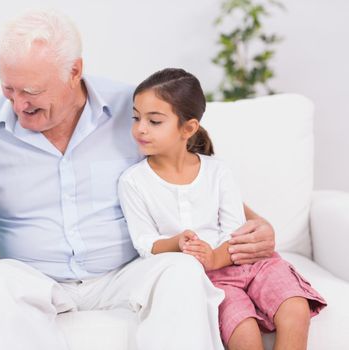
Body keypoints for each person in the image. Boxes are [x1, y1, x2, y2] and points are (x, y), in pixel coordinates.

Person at [0, 9, 278, 350]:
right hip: (32, 276)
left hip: (128, 272)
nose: (19, 105)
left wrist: (257, 224)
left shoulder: (136, 110)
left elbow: (190, 170)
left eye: (31, 91)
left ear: (74, 71)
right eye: (9, 89)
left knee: (182, 271)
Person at [118, 67, 327, 350]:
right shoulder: (134, 181)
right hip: (207, 280)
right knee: (244, 331)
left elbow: (234, 228)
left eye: (154, 121)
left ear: (188, 128)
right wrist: (177, 243)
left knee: (295, 308)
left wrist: (216, 256)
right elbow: (145, 242)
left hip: (245, 261)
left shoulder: (218, 172)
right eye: (136, 117)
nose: (140, 128)